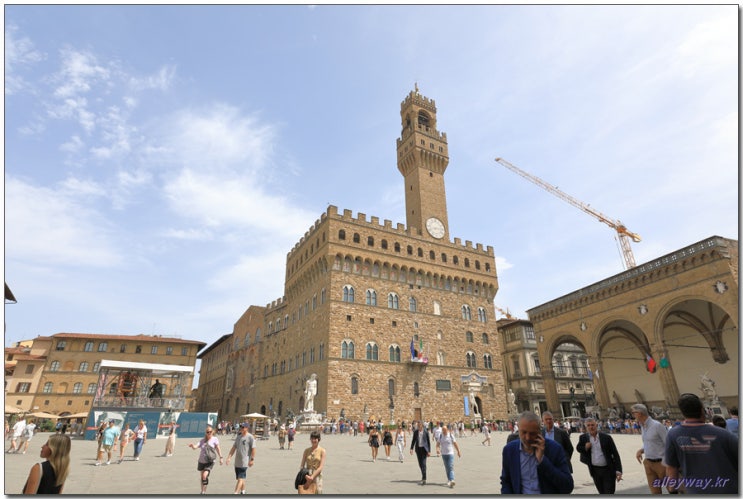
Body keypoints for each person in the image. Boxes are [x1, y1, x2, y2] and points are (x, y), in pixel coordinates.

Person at [664, 393, 738, 494]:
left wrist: (672, 490)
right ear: (702, 410)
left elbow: (671, 467)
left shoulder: (673, 435)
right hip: (728, 490)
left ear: (683, 413)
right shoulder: (723, 434)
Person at [500, 411, 574, 494]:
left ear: (539, 431)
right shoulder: (509, 450)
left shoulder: (554, 449)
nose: (527, 438)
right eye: (524, 432)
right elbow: (506, 481)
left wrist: (542, 460)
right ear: (518, 429)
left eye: (532, 433)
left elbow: (568, 486)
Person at [576, 417, 623, 494]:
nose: (591, 427)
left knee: (609, 492)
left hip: (608, 470)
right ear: (586, 427)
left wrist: (618, 470)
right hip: (595, 471)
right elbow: (578, 448)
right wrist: (585, 447)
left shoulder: (606, 437)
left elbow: (615, 454)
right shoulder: (583, 437)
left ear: (596, 425)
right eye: (588, 425)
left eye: (592, 425)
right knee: (601, 492)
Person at [632, 403, 668, 494]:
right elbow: (648, 442)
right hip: (648, 463)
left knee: (672, 490)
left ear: (640, 413)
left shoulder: (657, 426)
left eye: (633, 413)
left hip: (661, 463)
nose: (633, 415)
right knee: (655, 492)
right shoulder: (642, 426)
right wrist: (641, 450)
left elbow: (668, 444)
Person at [188, 425, 223, 495]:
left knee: (204, 476)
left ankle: (204, 491)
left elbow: (218, 448)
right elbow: (195, 447)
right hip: (201, 461)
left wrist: (221, 457)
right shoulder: (202, 440)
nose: (209, 433)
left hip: (210, 461)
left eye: (210, 432)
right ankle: (202, 491)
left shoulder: (215, 439)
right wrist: (192, 446)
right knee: (202, 477)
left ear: (212, 432)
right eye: (207, 432)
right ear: (206, 433)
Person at [226, 422, 256, 495]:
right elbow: (233, 448)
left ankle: (236, 492)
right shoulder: (238, 437)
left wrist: (252, 460)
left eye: (243, 427)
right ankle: (243, 491)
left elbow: (254, 449)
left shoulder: (250, 437)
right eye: (241, 427)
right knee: (241, 478)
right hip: (237, 462)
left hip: (244, 461)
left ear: (247, 428)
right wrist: (229, 457)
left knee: (240, 479)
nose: (241, 428)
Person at [299, 430, 326, 494]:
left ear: (319, 439)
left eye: (315, 438)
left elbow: (321, 467)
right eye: (312, 438)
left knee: (317, 492)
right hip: (307, 475)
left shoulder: (322, 451)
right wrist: (306, 476)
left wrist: (312, 477)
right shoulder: (306, 450)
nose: (313, 440)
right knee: (307, 492)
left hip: (317, 475)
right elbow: (302, 465)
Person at [409, 421, 431, 485]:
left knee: (423, 464)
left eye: (419, 425)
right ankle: (423, 474)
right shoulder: (416, 432)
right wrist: (411, 448)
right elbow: (413, 440)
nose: (418, 426)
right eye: (417, 426)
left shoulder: (426, 432)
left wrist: (429, 451)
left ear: (422, 425)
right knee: (420, 464)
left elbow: (428, 442)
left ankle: (424, 478)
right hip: (418, 450)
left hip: (424, 449)